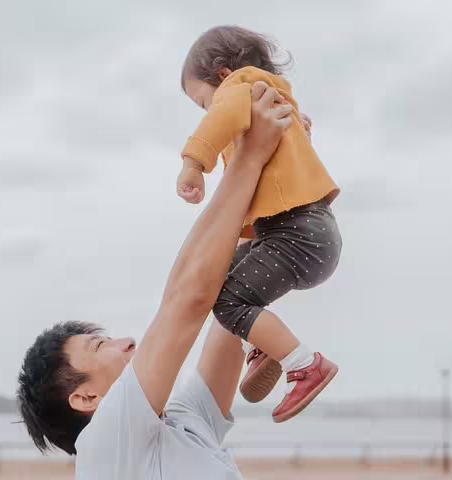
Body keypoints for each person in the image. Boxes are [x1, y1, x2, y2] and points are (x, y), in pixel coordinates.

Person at [17, 82, 302, 479]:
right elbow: (187, 301)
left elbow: (228, 300)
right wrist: (250, 158)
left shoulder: (181, 425)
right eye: (101, 345)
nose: (127, 341)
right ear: (85, 397)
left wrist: (275, 162)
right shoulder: (104, 448)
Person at [176, 25, 342, 422]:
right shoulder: (276, 99)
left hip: (296, 235)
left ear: (221, 74)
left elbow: (221, 120)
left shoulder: (242, 87)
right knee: (222, 273)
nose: (209, 111)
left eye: (204, 102)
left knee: (228, 302)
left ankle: (303, 364)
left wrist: (193, 163)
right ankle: (263, 344)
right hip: (307, 232)